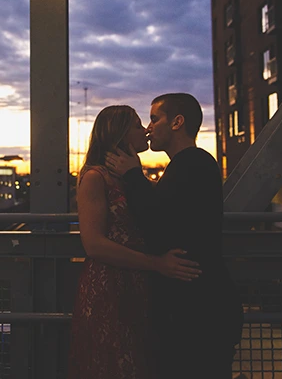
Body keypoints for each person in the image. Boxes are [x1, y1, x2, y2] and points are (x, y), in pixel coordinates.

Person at [105, 93, 243, 378]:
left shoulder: (192, 164)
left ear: (177, 122)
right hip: (201, 308)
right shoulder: (191, 164)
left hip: (198, 314)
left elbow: (157, 224)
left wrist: (133, 175)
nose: (148, 128)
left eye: (154, 119)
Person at [68, 105, 202, 379]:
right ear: (119, 133)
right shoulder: (95, 177)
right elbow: (93, 244)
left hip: (139, 285)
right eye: (138, 125)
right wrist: (156, 264)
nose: (146, 130)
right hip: (109, 286)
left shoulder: (130, 177)